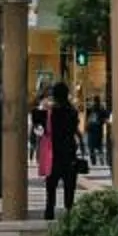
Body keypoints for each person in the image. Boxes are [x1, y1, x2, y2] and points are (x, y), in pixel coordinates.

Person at [37, 81, 83, 219]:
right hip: (69, 151)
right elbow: (75, 130)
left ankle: (49, 211)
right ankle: (69, 212)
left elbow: (42, 131)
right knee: (69, 186)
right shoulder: (72, 112)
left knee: (51, 186)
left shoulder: (50, 113)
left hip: (53, 152)